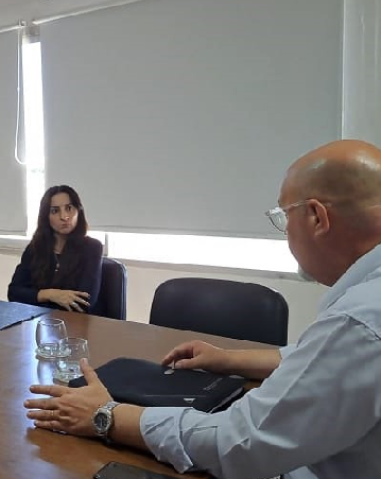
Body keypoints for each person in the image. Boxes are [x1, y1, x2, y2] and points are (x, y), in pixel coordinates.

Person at [24, 139, 381, 479]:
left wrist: (106, 415)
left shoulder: (359, 321)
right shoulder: (362, 313)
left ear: (317, 218)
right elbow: (318, 359)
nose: (284, 230)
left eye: (285, 215)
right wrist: (226, 359)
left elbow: (239, 442)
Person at [8, 185, 105, 314]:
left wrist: (35, 297)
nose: (64, 217)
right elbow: (14, 293)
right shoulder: (35, 248)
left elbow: (84, 303)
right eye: (55, 211)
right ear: (46, 216)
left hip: (77, 326)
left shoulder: (92, 247)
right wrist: (51, 294)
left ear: (78, 211)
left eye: (69, 208)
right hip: (38, 323)